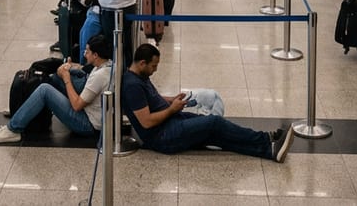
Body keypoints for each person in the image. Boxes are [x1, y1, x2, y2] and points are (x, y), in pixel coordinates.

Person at [121, 43, 293, 162]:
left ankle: (269, 150)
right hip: (162, 136)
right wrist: (172, 110)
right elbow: (146, 121)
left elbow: (152, 98)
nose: (155, 70)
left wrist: (171, 99)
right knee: (213, 122)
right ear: (142, 63)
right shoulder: (132, 87)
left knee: (214, 134)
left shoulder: (140, 76)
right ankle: (266, 139)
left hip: (170, 122)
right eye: (153, 66)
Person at [0, 35, 114, 143]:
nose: (85, 54)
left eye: (87, 51)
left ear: (96, 55)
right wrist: (71, 69)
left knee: (45, 89)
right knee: (55, 78)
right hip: (92, 113)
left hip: (88, 125)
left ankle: (13, 129)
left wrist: (67, 78)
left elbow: (76, 106)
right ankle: (24, 106)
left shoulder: (100, 76)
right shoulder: (108, 65)